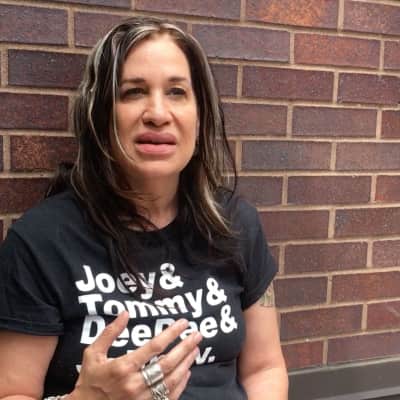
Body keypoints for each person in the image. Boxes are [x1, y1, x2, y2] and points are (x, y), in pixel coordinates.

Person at [0, 17, 288, 400]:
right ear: (100, 114)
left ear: (200, 116)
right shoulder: (40, 242)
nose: (157, 113)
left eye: (176, 92)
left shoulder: (236, 223)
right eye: (133, 92)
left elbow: (264, 368)